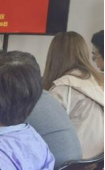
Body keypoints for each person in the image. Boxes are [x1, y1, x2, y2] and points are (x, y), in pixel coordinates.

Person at [43, 31, 104, 159]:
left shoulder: (63, 88)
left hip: (69, 162)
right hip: (94, 161)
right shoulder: (97, 82)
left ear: (54, 56)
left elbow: (44, 129)